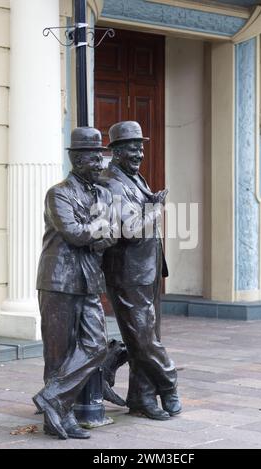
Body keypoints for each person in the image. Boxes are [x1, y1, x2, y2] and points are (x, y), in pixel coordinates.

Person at [33, 127, 117, 439]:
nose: (100, 163)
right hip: (59, 280)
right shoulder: (59, 194)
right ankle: (60, 417)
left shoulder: (104, 194)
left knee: (95, 346)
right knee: (59, 352)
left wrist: (94, 232)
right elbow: (75, 234)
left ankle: (51, 398)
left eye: (101, 157)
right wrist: (95, 229)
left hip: (90, 280)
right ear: (77, 159)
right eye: (94, 158)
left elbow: (110, 236)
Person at [101, 121, 181, 421]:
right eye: (133, 148)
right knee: (144, 339)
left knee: (145, 339)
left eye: (141, 147)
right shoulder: (111, 182)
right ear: (117, 152)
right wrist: (157, 208)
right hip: (127, 274)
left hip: (148, 271)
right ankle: (169, 383)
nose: (140, 153)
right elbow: (129, 229)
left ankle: (142, 399)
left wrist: (150, 203)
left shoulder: (134, 178)